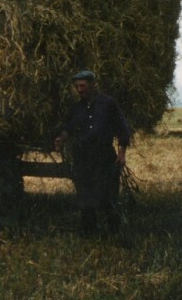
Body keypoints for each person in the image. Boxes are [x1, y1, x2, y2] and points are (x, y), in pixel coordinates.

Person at [54, 70, 132, 236]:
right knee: (84, 196)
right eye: (77, 86)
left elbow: (122, 129)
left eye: (82, 86)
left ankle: (113, 232)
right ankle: (90, 232)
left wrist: (122, 153)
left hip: (104, 156)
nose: (79, 90)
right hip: (82, 157)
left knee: (108, 195)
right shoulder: (76, 108)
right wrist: (61, 139)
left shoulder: (108, 104)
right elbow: (68, 128)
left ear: (92, 85)